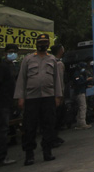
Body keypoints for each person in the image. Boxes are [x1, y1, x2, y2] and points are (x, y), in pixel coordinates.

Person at [15, 33, 62, 165]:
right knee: (29, 127)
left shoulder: (52, 59)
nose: (43, 45)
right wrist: (20, 97)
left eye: (45, 43)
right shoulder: (28, 59)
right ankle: (29, 154)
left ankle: (47, 151)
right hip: (31, 98)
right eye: (40, 43)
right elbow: (22, 79)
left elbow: (56, 79)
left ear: (48, 44)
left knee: (48, 125)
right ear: (36, 44)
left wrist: (58, 96)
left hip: (48, 97)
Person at [0, 44, 19, 167]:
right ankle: (0, 157)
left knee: (2, 129)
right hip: (2, 102)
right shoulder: (2, 67)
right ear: (5, 53)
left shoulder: (12, 67)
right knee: (2, 130)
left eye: (14, 52)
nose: (12, 54)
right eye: (9, 52)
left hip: (7, 101)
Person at [72, 62, 93, 128]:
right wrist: (86, 80)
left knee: (81, 107)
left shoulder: (80, 74)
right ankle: (82, 123)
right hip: (79, 92)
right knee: (83, 107)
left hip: (81, 91)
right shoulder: (77, 74)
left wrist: (87, 85)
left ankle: (79, 121)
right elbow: (78, 83)